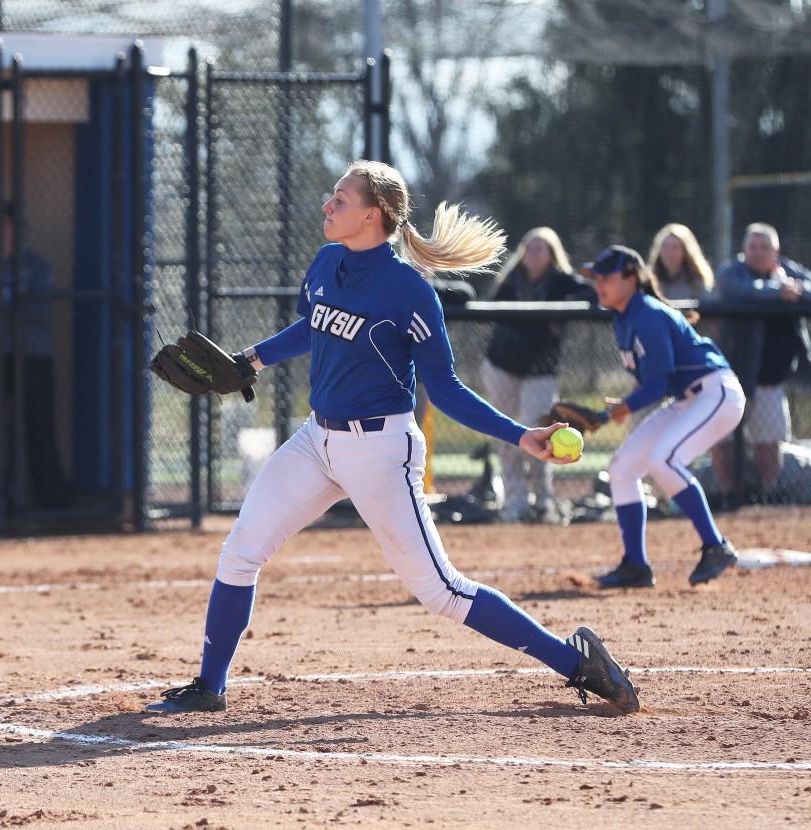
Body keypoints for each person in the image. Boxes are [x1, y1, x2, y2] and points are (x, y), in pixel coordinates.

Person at [146, 160, 639, 715]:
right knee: (240, 552)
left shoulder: (409, 290)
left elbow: (446, 389)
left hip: (381, 451)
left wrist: (521, 435)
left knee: (442, 591)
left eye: (340, 200)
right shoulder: (327, 261)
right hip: (317, 442)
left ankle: (578, 663)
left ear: (373, 215)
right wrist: (251, 358)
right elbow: (312, 325)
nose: (327, 207)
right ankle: (210, 686)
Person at [584, 246, 745, 589]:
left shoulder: (648, 315)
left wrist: (618, 409)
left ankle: (716, 546)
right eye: (596, 277)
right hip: (688, 399)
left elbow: (656, 385)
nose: (599, 284)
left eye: (608, 277)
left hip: (717, 392)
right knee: (622, 468)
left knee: (665, 460)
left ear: (632, 278)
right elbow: (657, 381)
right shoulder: (624, 317)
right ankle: (635, 567)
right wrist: (622, 406)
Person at [0, 202, 71, 515]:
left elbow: (36, 311)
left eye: (10, 228)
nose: (5, 234)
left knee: (38, 427)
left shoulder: (36, 265)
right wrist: (0, 306)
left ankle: (51, 502)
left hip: (30, 355)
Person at [481, 227, 595, 523]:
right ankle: (515, 501)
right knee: (506, 434)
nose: (533, 254)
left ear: (552, 254)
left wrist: (559, 312)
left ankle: (544, 500)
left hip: (540, 371)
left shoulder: (560, 281)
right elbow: (490, 308)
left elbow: (592, 292)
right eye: (529, 248)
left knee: (542, 432)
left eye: (540, 249)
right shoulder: (511, 280)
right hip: (502, 365)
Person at [712, 223, 811, 503]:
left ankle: (766, 496)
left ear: (775, 251)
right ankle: (726, 493)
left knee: (769, 440)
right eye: (752, 246)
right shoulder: (732, 271)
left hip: (770, 376)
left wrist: (793, 289)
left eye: (764, 247)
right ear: (744, 249)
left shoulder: (787, 270)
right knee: (724, 439)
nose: (757, 252)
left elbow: (807, 286)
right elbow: (736, 289)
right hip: (731, 375)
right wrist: (778, 291)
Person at [647, 223, 716, 302]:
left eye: (675, 247)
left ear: (685, 251)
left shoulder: (697, 282)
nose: (670, 253)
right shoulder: (648, 282)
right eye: (665, 247)